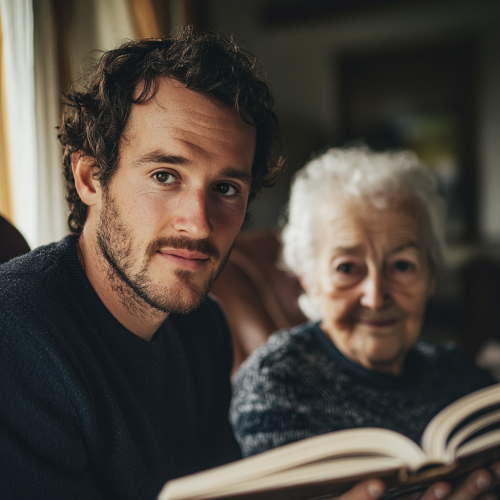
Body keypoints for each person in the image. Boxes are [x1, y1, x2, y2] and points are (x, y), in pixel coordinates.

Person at [0, 26, 495, 500]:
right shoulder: (17, 334)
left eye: (226, 189)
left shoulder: (204, 328)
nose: (199, 223)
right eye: (165, 175)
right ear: (90, 177)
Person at [231, 148, 500, 475]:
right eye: (347, 268)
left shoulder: (458, 372)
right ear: (309, 279)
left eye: (402, 266)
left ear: (431, 276)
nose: (375, 297)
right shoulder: (278, 379)